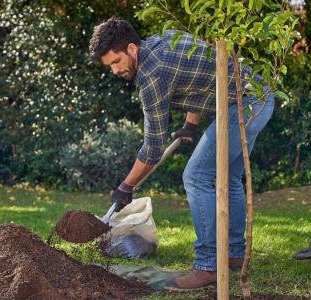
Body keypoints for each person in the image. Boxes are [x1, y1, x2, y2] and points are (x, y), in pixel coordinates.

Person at [89, 17, 274, 291]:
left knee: (196, 176)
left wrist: (126, 186)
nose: (114, 70)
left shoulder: (151, 76)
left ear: (131, 49)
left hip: (245, 104)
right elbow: (203, 76)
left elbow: (153, 148)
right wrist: (190, 124)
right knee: (230, 177)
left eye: (116, 62)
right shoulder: (165, 39)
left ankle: (208, 266)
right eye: (110, 66)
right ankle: (234, 252)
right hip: (258, 96)